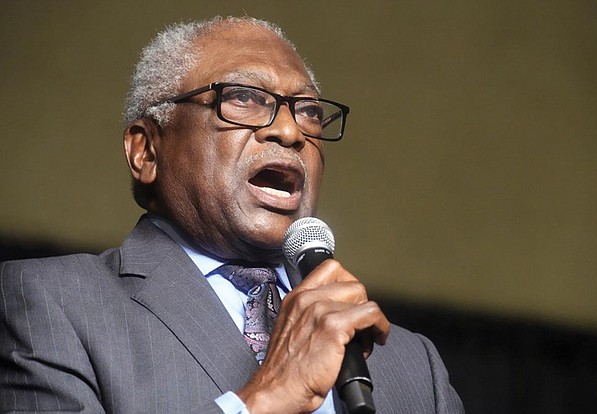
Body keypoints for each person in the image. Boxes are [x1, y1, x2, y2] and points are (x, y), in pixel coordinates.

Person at [0, 16, 464, 413]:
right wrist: (268, 397)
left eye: (308, 111)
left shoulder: (410, 363)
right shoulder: (49, 304)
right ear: (146, 151)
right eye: (243, 98)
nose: (289, 130)